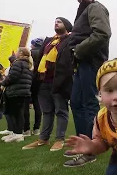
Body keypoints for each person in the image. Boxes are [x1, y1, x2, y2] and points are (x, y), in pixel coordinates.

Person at [66, 0, 111, 166]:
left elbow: (102, 33)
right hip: (82, 62)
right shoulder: (85, 9)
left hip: (90, 61)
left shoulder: (95, 7)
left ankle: (91, 149)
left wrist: (78, 50)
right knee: (76, 103)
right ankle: (82, 145)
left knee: (88, 103)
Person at [22, 17, 74, 151]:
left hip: (59, 82)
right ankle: (43, 139)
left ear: (67, 26)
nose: (56, 23)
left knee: (61, 111)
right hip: (43, 81)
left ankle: (59, 139)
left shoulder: (71, 40)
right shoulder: (49, 41)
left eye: (59, 21)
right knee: (47, 111)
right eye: (55, 21)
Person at [0, 47, 33, 143]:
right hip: (23, 91)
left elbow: (13, 76)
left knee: (16, 113)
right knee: (17, 113)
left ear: (21, 53)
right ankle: (15, 133)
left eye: (17, 52)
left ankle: (18, 134)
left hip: (16, 91)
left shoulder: (18, 63)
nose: (16, 54)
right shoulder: (28, 64)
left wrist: (3, 83)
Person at [22, 37, 44, 136]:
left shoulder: (30, 53)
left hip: (28, 80)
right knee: (37, 105)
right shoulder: (44, 53)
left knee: (25, 105)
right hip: (39, 81)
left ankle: (26, 129)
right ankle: (36, 129)